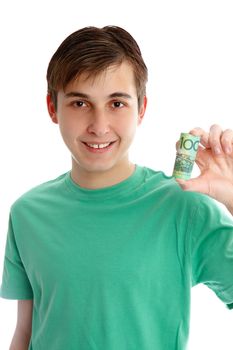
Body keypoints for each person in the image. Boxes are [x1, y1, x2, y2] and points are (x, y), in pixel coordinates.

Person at [0, 25, 233, 350]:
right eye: (80, 103)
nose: (99, 126)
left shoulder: (184, 208)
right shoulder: (26, 214)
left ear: (142, 109)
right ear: (53, 108)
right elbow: (24, 333)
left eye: (117, 104)